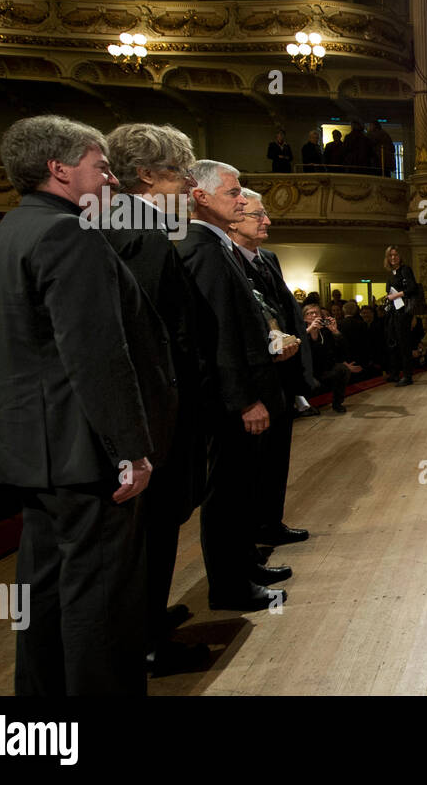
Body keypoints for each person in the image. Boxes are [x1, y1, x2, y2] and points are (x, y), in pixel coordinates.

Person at [0, 115, 164, 695]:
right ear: (59, 169)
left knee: (44, 593)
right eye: (100, 165)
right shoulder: (70, 234)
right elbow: (96, 356)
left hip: (33, 449)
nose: (111, 176)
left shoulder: (8, 231)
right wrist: (130, 449)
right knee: (101, 599)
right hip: (85, 450)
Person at [101, 122, 209, 674]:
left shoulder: (111, 222)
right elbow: (149, 334)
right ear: (145, 174)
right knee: (154, 528)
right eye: (180, 174)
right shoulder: (139, 229)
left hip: (140, 409)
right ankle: (146, 641)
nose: (188, 186)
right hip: (154, 412)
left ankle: (147, 620)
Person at [177, 159, 294, 611]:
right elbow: (219, 333)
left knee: (242, 490)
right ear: (200, 197)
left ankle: (243, 565)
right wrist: (246, 400)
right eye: (233, 192)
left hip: (244, 391)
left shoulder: (216, 246)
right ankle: (229, 586)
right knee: (226, 496)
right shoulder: (202, 249)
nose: (243, 199)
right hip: (231, 401)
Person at [229, 188, 313, 545]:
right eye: (257, 215)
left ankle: (271, 523)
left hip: (284, 374)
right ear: (233, 219)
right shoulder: (226, 260)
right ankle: (252, 535)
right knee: (251, 467)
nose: (267, 221)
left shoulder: (270, 258)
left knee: (278, 457)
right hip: (256, 378)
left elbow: (286, 310)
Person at [303, 303, 361, 412]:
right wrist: (310, 330)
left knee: (342, 370)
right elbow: (296, 343)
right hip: (306, 371)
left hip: (324, 368)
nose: (314, 315)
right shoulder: (301, 332)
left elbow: (343, 349)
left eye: (317, 313)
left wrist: (335, 331)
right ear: (305, 318)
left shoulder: (325, 332)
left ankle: (337, 403)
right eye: (310, 313)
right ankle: (305, 408)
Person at [383, 245, 421, 386]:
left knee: (404, 343)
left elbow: (412, 288)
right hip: (394, 311)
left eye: (395, 255)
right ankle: (394, 373)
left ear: (400, 256)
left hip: (403, 312)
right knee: (393, 342)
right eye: (390, 255)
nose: (393, 258)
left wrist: (396, 295)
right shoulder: (391, 273)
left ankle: (407, 376)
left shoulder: (405, 270)